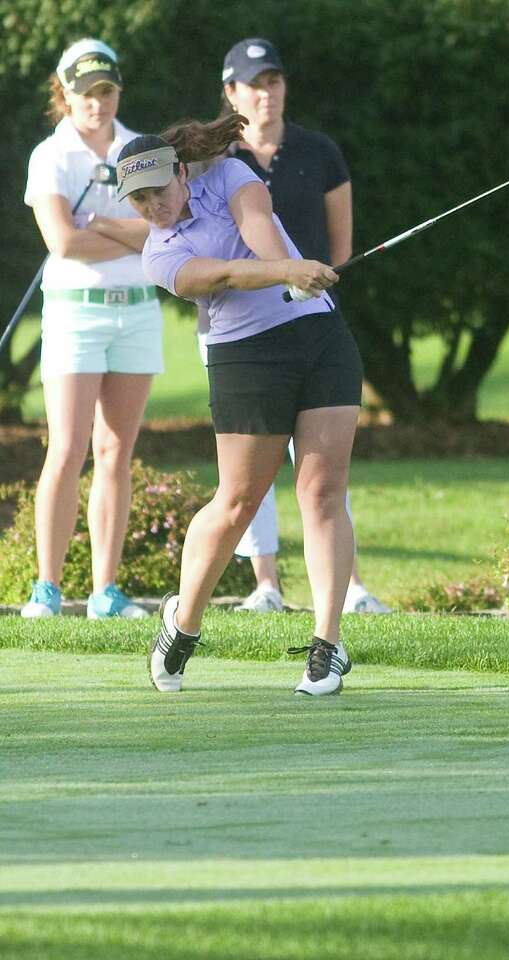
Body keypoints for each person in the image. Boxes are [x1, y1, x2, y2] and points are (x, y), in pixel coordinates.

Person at [111, 114, 360, 695]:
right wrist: (285, 272)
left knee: (322, 490)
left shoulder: (227, 173)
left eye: (158, 191)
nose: (152, 207)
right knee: (239, 500)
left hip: (320, 338)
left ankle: (328, 645)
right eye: (139, 200)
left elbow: (258, 223)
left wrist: (293, 275)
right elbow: (222, 272)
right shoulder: (160, 255)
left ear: (180, 172)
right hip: (245, 355)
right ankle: (183, 623)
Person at [208, 37, 389, 615]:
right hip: (239, 330)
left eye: (274, 81)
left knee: (321, 467)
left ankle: (348, 588)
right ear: (231, 93)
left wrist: (320, 281)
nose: (266, 94)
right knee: (248, 470)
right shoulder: (216, 162)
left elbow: (340, 245)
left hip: (311, 321)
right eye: (254, 84)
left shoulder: (320, 151)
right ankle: (266, 584)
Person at [21, 38, 161, 620]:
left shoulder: (140, 150)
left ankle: (105, 591)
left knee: (115, 451)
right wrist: (122, 229)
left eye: (106, 91)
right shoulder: (50, 156)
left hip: (138, 309)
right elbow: (63, 242)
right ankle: (47, 588)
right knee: (68, 449)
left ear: (117, 91)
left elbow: (159, 231)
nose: (97, 103)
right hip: (75, 309)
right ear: (65, 94)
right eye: (85, 93)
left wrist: (100, 222)